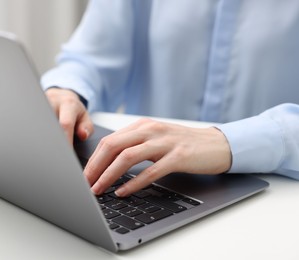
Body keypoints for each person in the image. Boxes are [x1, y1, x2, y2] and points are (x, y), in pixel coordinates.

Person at [42, 0, 299, 197]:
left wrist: (228, 143)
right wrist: (66, 91)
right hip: (147, 180)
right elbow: (90, 59)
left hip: (277, 197)